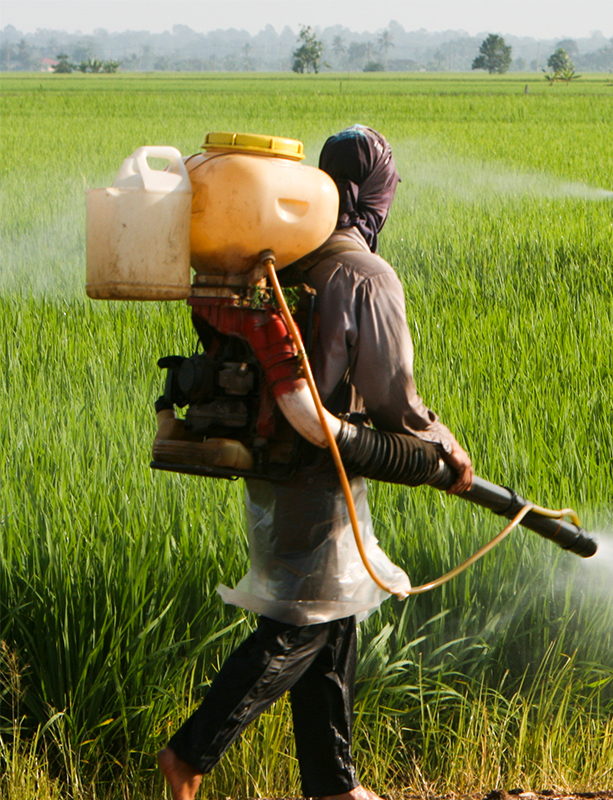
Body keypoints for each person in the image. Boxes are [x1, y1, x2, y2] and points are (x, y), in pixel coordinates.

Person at [158, 124, 473, 800]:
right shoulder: (362, 273)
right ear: (378, 192)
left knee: (332, 610)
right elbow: (394, 402)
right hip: (315, 458)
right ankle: (190, 753)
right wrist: (441, 449)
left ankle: (335, 786)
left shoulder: (281, 256)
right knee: (300, 624)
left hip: (270, 458)